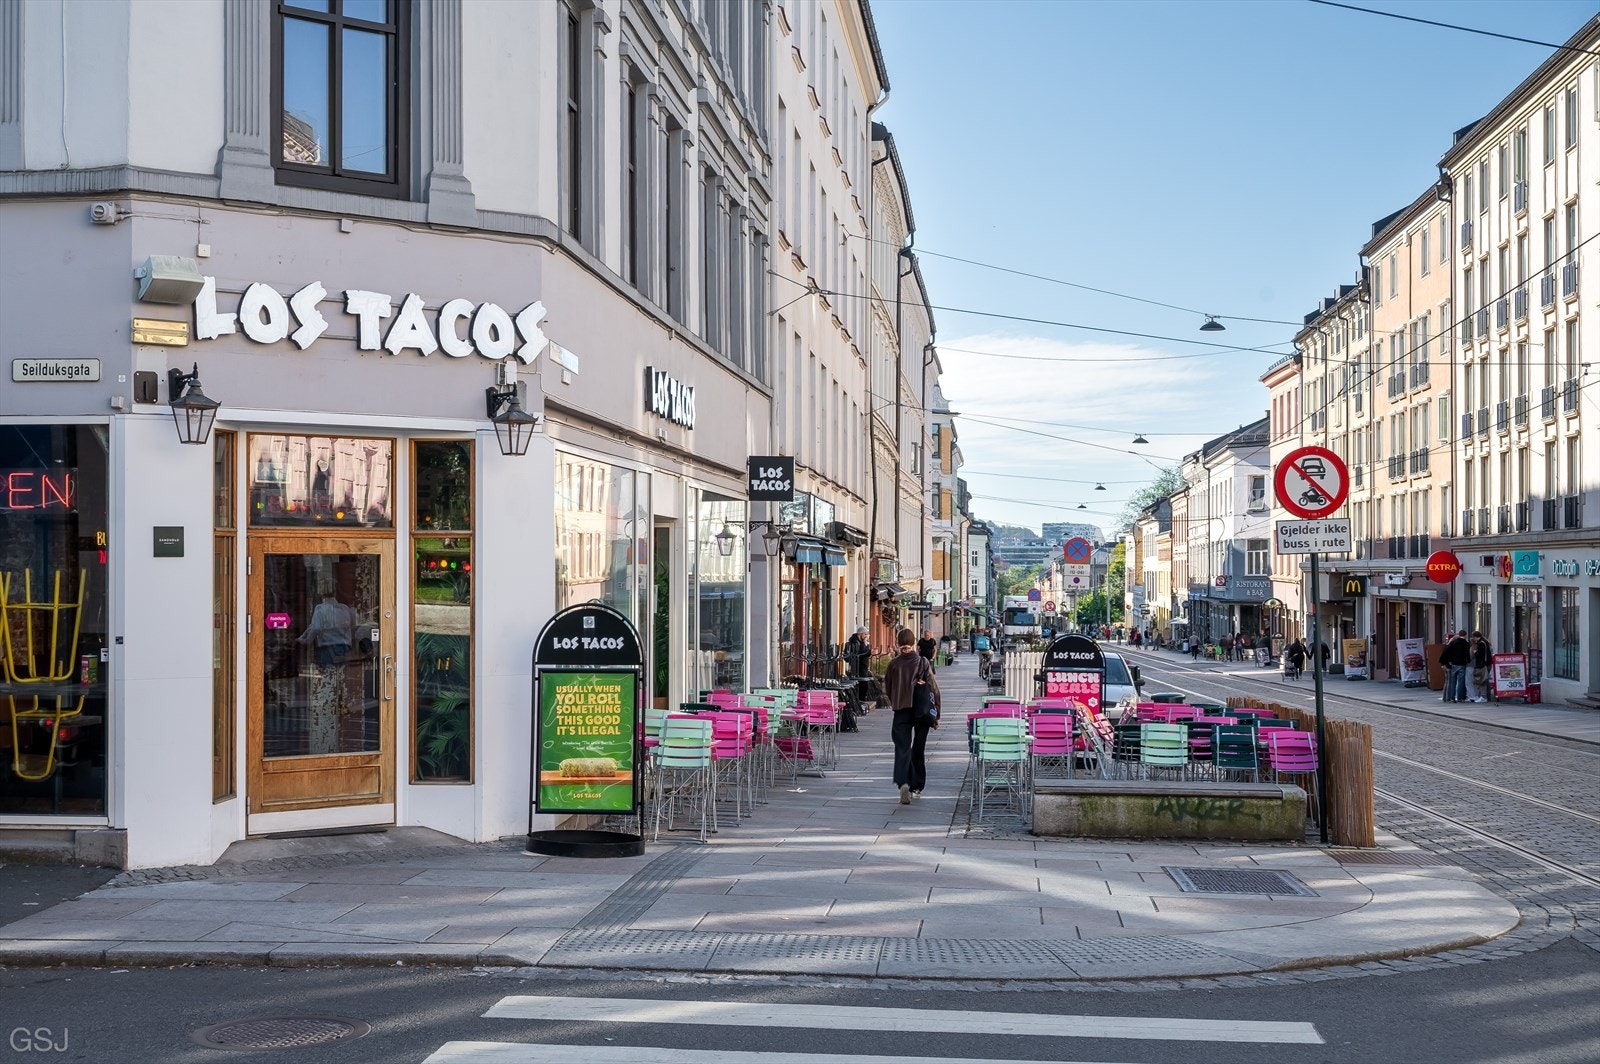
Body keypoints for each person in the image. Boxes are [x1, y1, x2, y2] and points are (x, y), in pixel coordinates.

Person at [884, 627, 940, 804]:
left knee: (902, 747)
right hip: (922, 710)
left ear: (898, 643)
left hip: (902, 710)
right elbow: (933, 689)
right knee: (918, 748)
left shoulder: (894, 664)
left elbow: (888, 688)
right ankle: (917, 787)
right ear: (914, 643)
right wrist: (936, 714)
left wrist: (896, 702)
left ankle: (904, 782)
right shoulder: (923, 662)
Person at [1442, 630, 1471, 702]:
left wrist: (1446, 662)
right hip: (1462, 664)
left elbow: (1447, 652)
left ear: (1459, 634)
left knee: (1453, 681)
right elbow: (1467, 654)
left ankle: (1452, 697)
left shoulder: (1453, 642)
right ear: (1465, 635)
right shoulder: (1466, 643)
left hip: (1454, 663)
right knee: (1461, 681)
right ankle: (1460, 697)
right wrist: (1468, 661)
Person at [1469, 630, 1492, 702]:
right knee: (1485, 680)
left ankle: (1483, 697)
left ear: (1475, 637)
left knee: (1482, 680)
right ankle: (1487, 696)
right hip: (1487, 664)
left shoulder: (1481, 643)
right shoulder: (1485, 642)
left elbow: (1479, 655)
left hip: (1482, 665)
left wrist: (1475, 651)